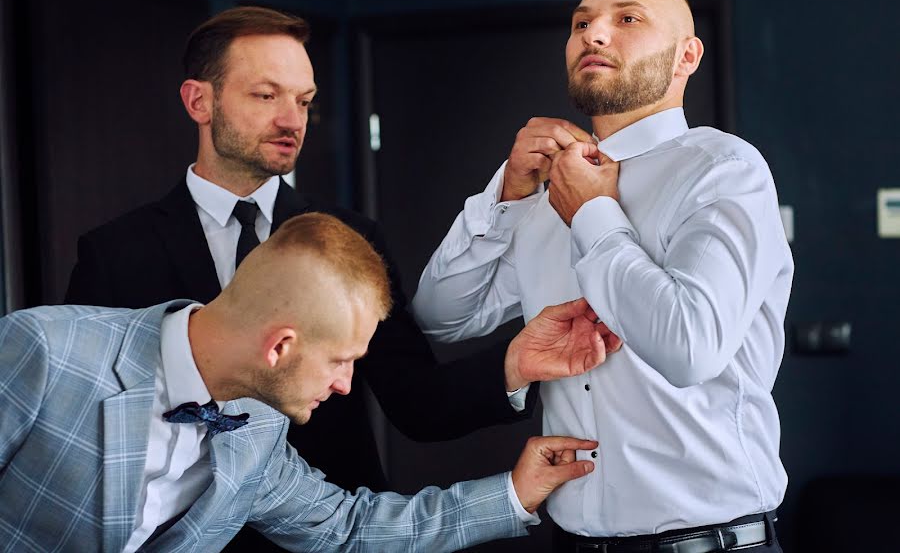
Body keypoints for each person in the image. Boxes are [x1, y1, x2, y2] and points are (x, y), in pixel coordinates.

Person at [63, 6, 611, 503]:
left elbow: (419, 402)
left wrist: (519, 361)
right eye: (265, 95)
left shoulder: (352, 237)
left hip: (335, 528)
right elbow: (87, 425)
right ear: (198, 101)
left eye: (303, 101)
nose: (291, 119)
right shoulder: (115, 253)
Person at [412, 0, 792, 553]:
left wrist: (593, 214)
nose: (594, 35)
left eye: (628, 19)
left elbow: (690, 347)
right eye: (581, 23)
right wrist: (505, 198)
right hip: (572, 540)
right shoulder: (541, 193)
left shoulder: (725, 170)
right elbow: (440, 317)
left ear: (686, 56)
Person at [0, 212, 601, 552]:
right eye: (341, 361)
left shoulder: (257, 428)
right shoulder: (43, 350)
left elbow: (348, 529)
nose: (346, 385)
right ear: (280, 345)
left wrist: (516, 493)